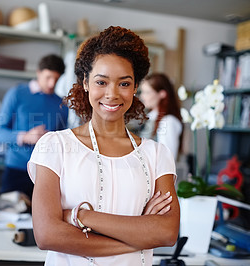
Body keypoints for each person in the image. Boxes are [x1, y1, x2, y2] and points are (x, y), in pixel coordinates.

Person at [27, 26, 180, 265]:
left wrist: (82, 216)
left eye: (124, 83)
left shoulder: (157, 155)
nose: (112, 94)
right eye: (102, 81)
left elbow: (167, 233)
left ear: (135, 87)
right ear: (86, 82)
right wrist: (141, 235)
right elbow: (47, 235)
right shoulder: (54, 146)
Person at [0, 54, 69, 199]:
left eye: (56, 79)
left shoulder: (62, 106)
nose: (52, 84)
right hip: (16, 170)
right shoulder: (17, 94)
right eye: (48, 78)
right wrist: (26, 136)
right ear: (38, 72)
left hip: (45, 175)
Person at [139, 73, 183, 160]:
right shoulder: (151, 118)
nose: (142, 96)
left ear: (162, 94)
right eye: (142, 92)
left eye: (147, 92)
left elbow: (168, 159)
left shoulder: (168, 121)